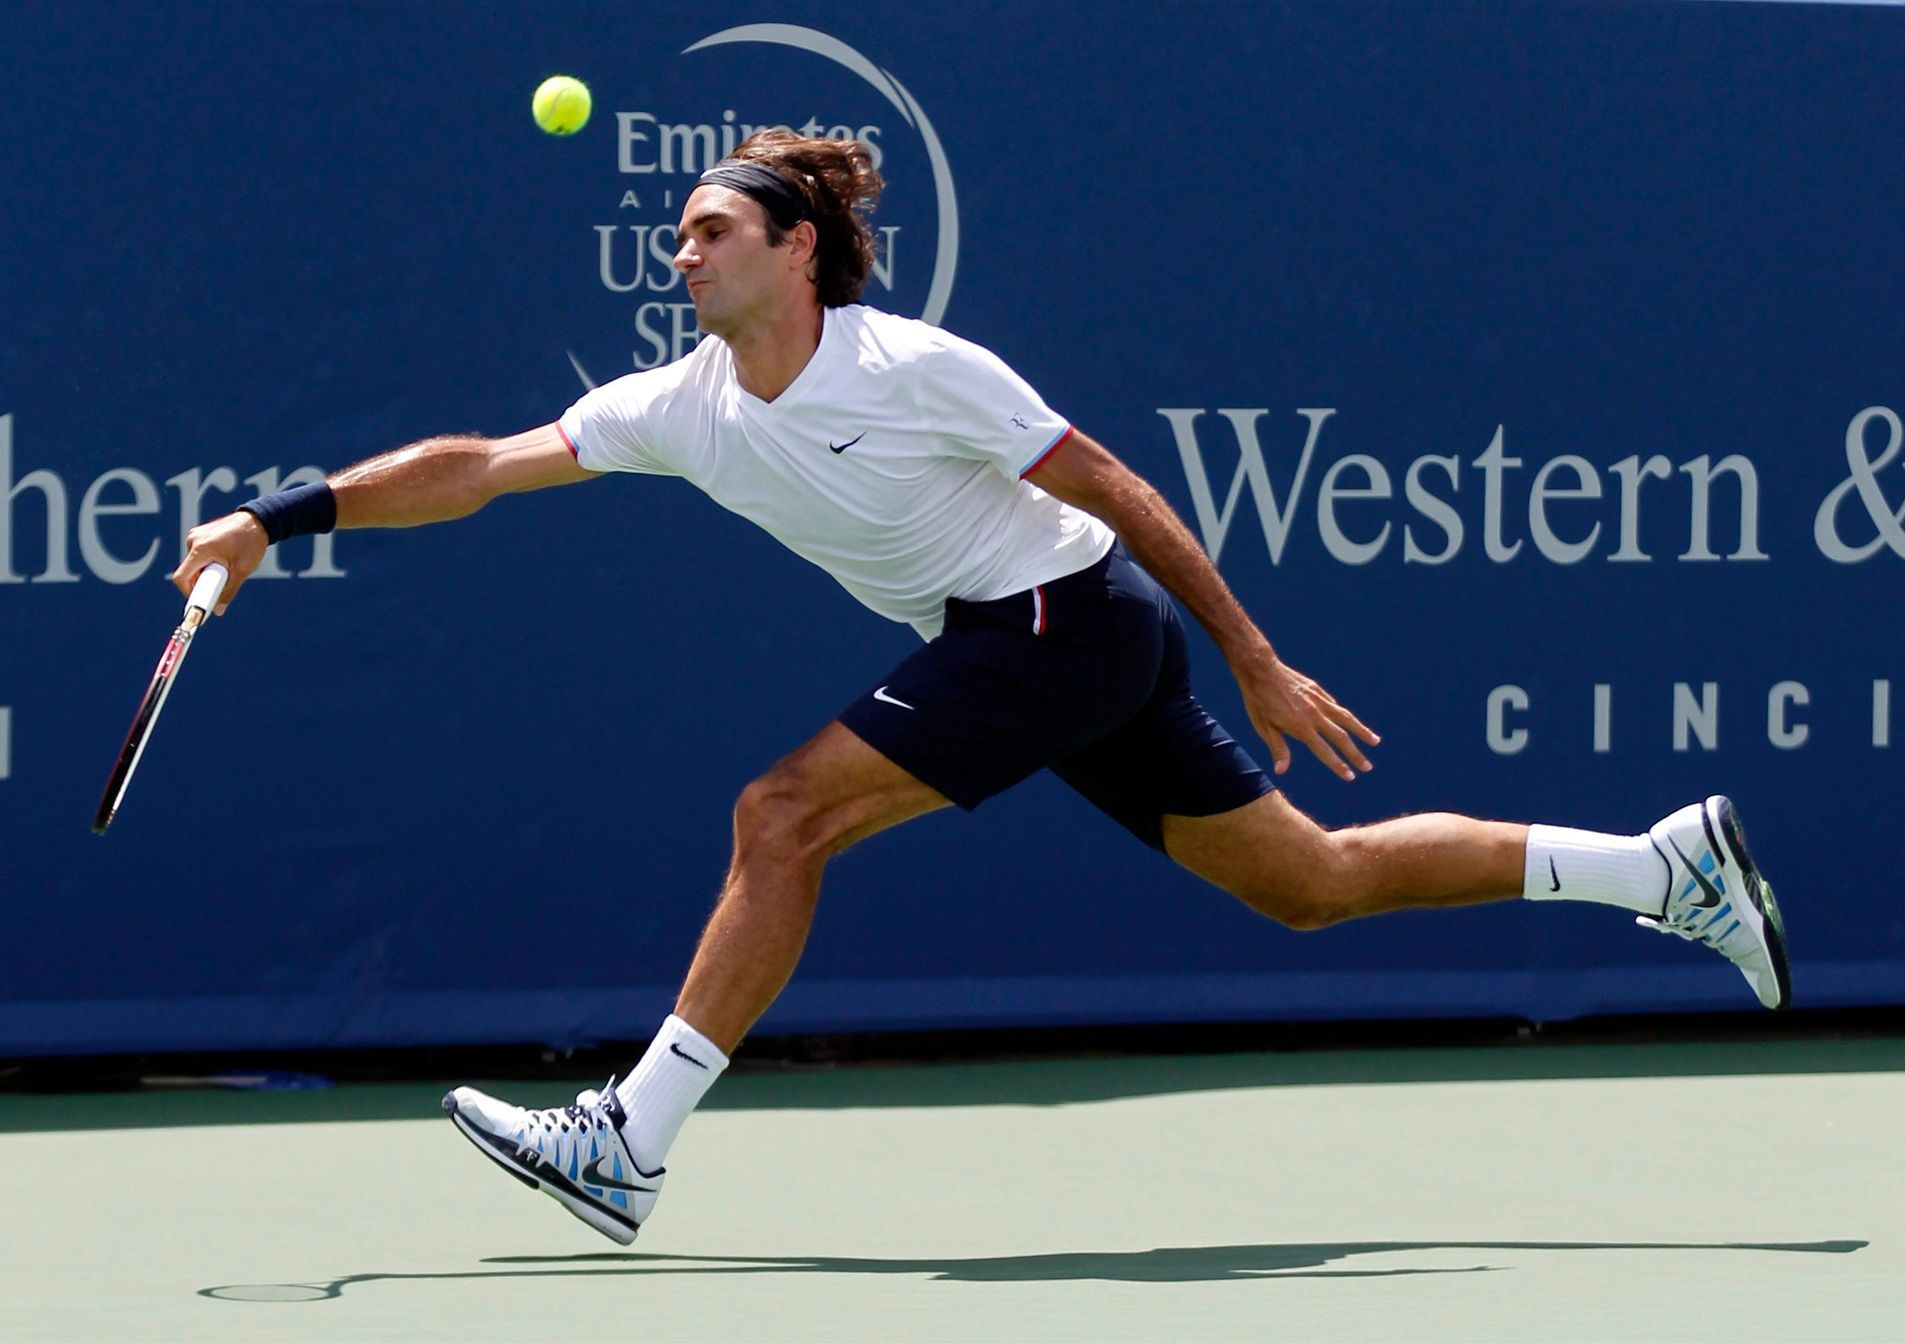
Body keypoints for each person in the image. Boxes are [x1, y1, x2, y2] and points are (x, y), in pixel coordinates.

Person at [172, 130, 1790, 1245]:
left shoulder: (911, 365)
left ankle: (628, 1140)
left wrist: (1252, 652)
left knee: (780, 813)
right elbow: (471, 469)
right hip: (1046, 645)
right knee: (1308, 884)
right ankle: (1662, 868)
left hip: (1060, 625)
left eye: (711, 232)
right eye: (676, 236)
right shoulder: (682, 405)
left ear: (796, 250)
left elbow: (1115, 487)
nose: (681, 253)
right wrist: (274, 518)